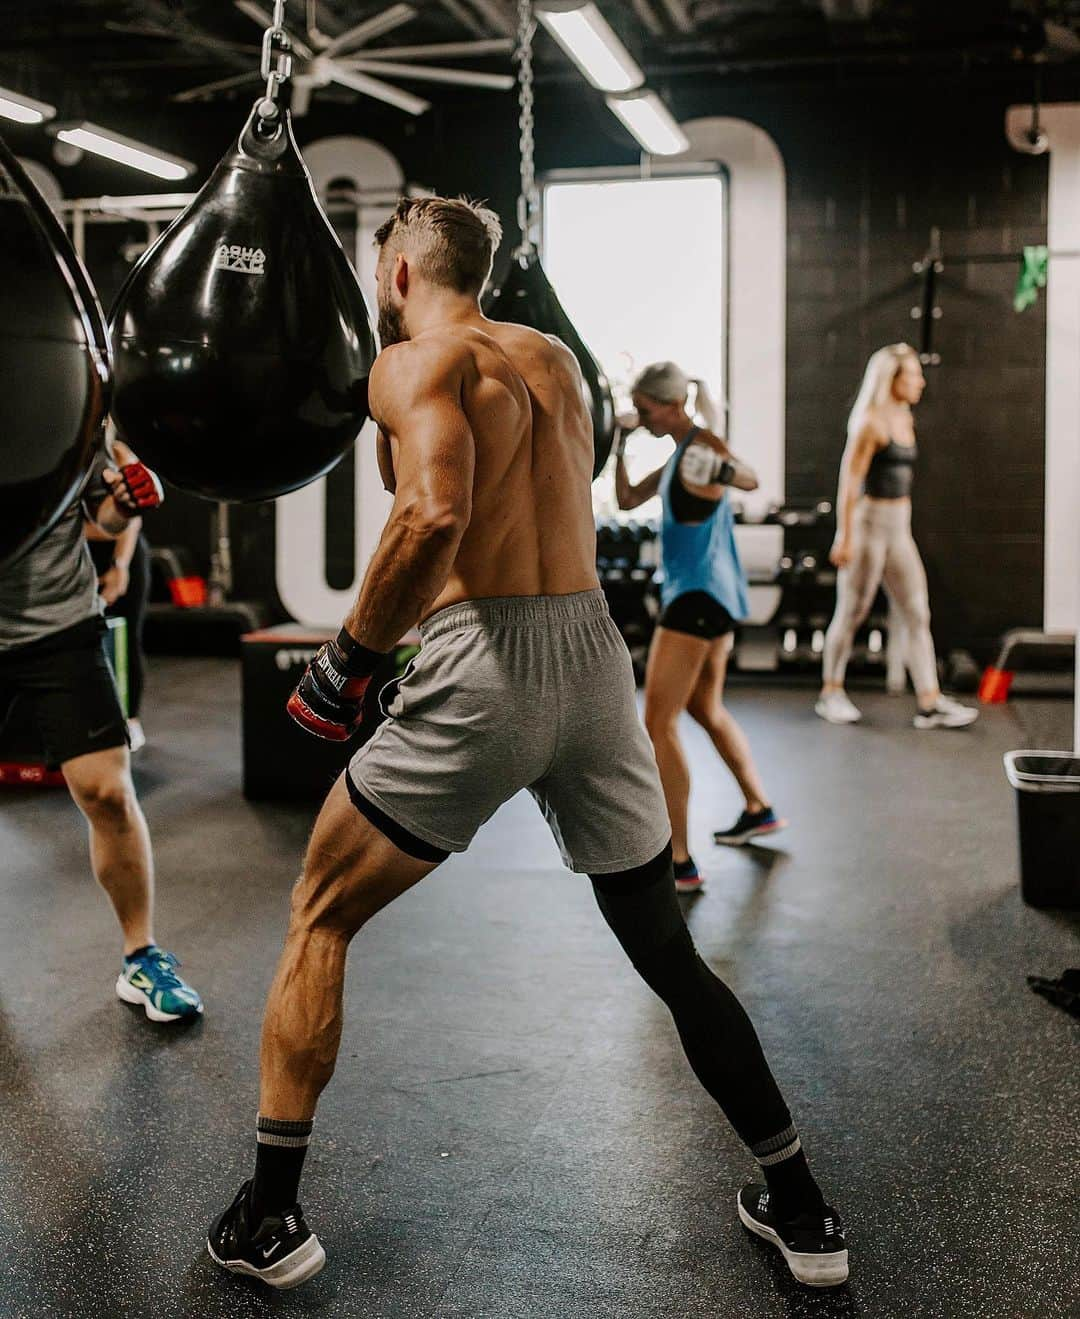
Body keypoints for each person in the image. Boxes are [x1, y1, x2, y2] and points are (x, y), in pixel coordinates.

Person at [208, 197, 847, 1292]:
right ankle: (803, 1204)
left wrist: (350, 659)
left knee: (319, 910)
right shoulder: (554, 359)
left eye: (377, 271)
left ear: (402, 271)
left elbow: (432, 517)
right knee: (665, 949)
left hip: (481, 664)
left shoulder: (413, 364)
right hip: (596, 659)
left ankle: (268, 1216)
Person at [0, 439, 203, 1023]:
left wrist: (124, 503)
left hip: (59, 625)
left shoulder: (59, 388)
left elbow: (98, 515)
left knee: (108, 792)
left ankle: (141, 957)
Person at [613, 363, 785, 893]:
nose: (640, 419)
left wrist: (725, 472)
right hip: (714, 598)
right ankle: (759, 807)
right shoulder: (676, 455)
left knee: (658, 722)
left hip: (696, 600)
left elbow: (752, 480)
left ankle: (680, 861)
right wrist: (619, 445)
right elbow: (624, 500)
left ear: (671, 405)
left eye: (645, 411)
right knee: (704, 709)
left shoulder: (702, 446)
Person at [817, 344, 978, 729]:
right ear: (892, 380)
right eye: (913, 375)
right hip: (869, 524)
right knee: (853, 611)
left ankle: (929, 701)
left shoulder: (904, 416)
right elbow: (849, 482)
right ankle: (831, 692)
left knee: (917, 612)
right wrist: (846, 536)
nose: (921, 382)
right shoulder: (869, 423)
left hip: (899, 529)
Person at [86, 434, 151, 753]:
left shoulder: (119, 454)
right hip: (79, 556)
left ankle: (132, 720)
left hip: (122, 553)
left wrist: (120, 566)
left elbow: (130, 519)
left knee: (128, 636)